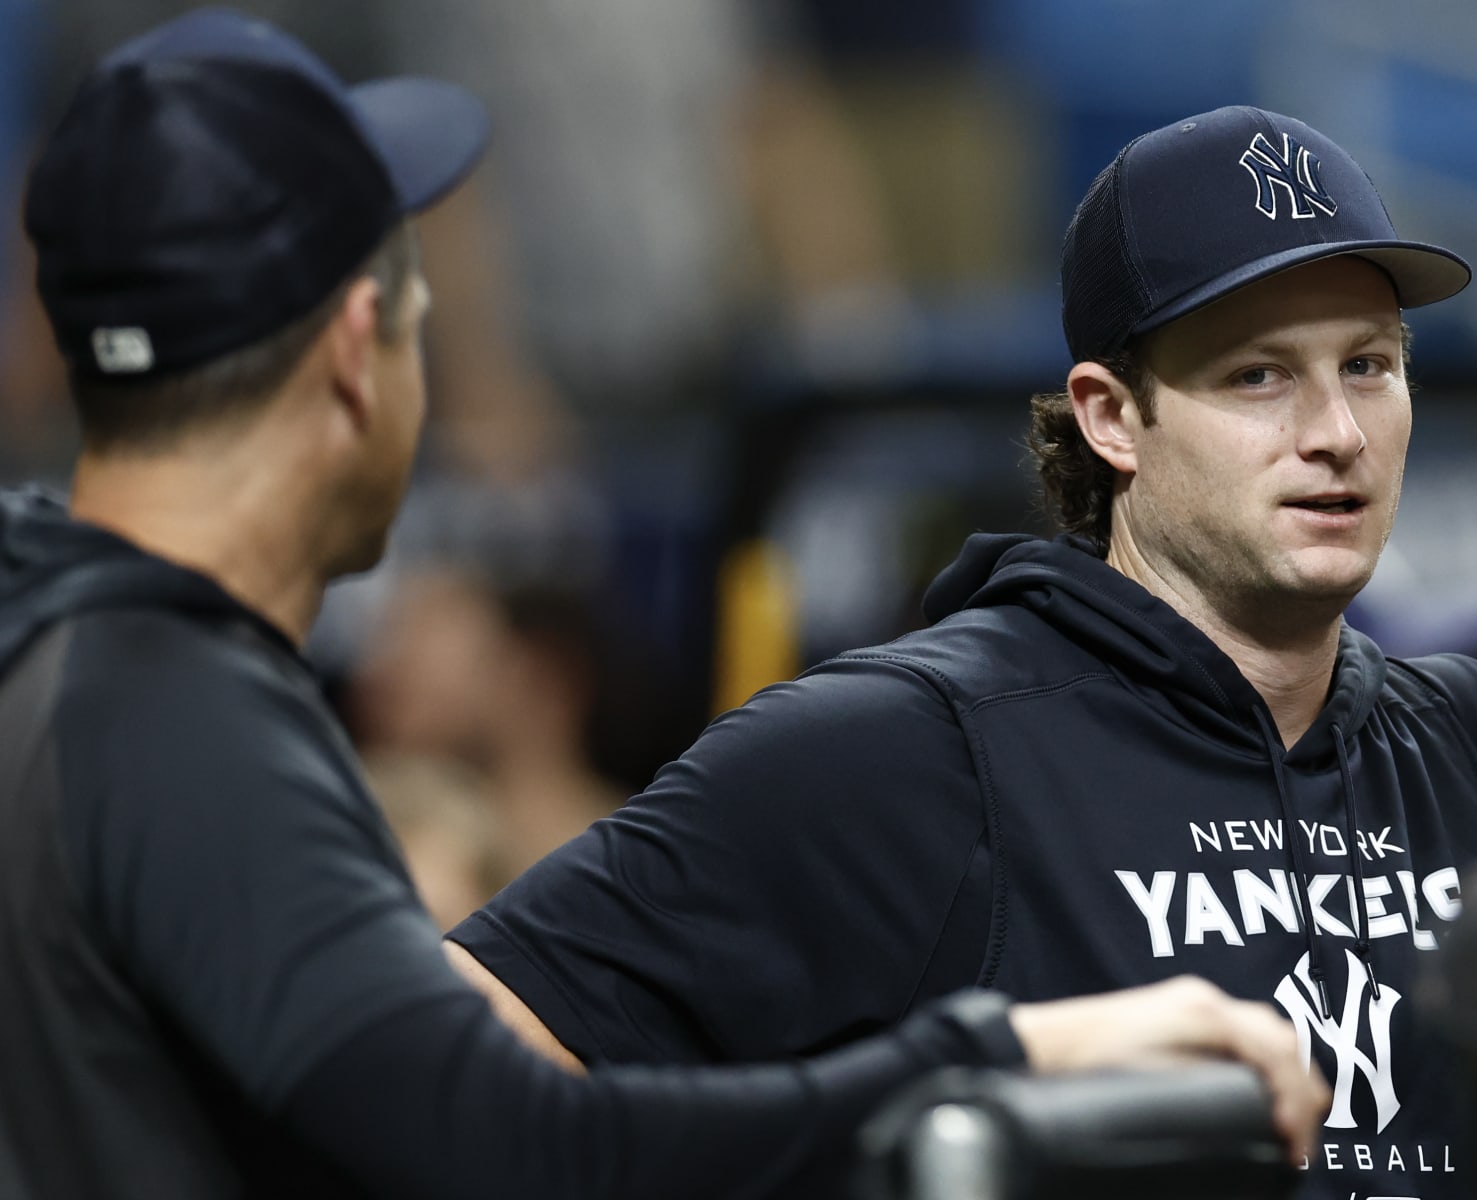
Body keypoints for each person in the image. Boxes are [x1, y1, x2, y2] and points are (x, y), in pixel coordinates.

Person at [0, 17, 1332, 1198]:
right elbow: (517, 1151)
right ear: (359, 353)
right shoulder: (173, 714)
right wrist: (1011, 1049)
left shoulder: (64, 648)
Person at [449, 105, 1477, 1199]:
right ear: (1110, 418)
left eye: (1370, 366)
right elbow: (444, 1066)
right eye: (1258, 378)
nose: (1338, 433)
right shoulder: (904, 750)